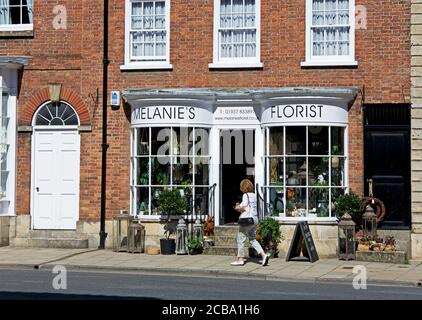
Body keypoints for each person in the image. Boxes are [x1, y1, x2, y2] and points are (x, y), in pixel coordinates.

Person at [230, 178, 270, 267]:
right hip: (254, 219)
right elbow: (251, 207)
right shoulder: (254, 195)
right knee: (252, 239)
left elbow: (244, 205)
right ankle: (264, 255)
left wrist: (237, 207)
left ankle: (240, 259)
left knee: (240, 238)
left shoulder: (245, 195)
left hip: (247, 220)